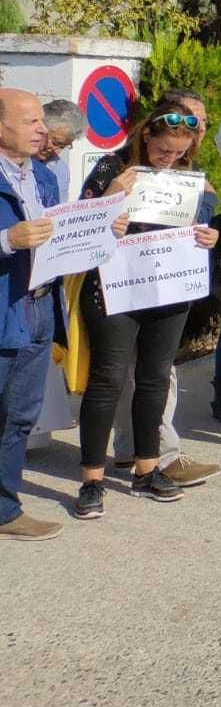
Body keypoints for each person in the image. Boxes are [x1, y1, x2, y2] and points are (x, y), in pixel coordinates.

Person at [72, 101, 219, 518]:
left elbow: (203, 214)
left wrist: (207, 233)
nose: (170, 159)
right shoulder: (112, 168)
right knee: (108, 381)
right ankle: (92, 479)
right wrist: (109, 205)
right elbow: (78, 223)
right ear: (146, 136)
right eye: (163, 151)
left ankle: (146, 470)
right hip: (115, 289)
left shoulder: (192, 179)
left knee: (154, 380)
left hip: (169, 289)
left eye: (178, 153)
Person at [0, 88, 66, 542]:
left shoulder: (43, 176)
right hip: (5, 307)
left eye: (41, 120)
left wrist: (102, 228)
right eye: (30, 121)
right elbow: (16, 239)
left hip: (40, 307)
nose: (43, 129)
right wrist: (7, 240)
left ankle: (6, 508)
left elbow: (61, 236)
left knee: (21, 415)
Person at [38, 99, 86, 201]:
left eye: (63, 146)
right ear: (41, 128)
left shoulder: (59, 169)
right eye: (55, 142)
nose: (56, 151)